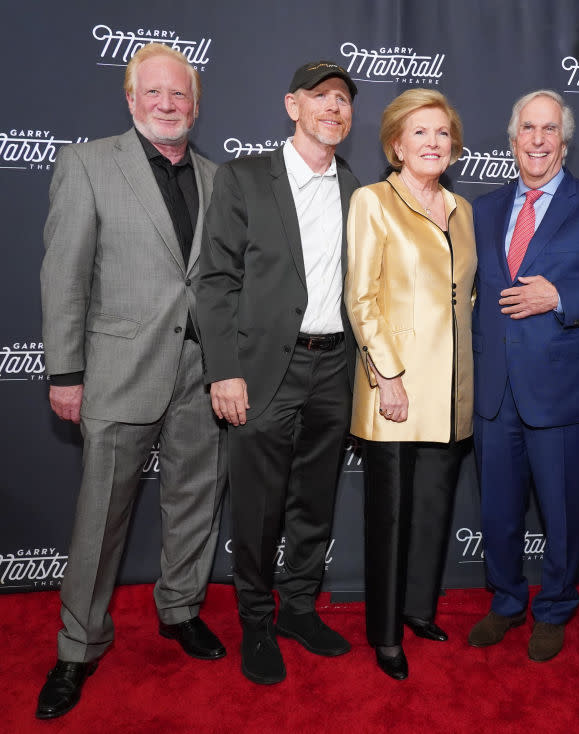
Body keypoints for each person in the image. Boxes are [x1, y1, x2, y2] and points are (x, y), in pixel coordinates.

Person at [37, 43, 225, 719]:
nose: (168, 105)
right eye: (154, 94)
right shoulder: (88, 164)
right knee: (101, 519)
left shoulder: (216, 175)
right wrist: (66, 371)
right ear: (130, 99)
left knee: (196, 502)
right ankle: (77, 648)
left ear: (195, 104)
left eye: (180, 96)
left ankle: (179, 610)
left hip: (200, 375)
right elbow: (64, 276)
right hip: (118, 370)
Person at [194, 61, 360, 685]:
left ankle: (297, 609)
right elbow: (215, 283)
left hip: (334, 367)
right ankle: (256, 624)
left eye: (342, 99)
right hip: (263, 370)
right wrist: (224, 371)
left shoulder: (356, 188)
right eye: (320, 98)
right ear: (292, 106)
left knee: (314, 503)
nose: (333, 108)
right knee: (259, 509)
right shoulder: (244, 178)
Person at [469, 90, 579, 662]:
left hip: (566, 391)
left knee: (565, 511)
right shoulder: (483, 209)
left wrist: (559, 295)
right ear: (512, 140)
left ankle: (555, 607)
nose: (537, 140)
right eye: (527, 129)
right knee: (497, 509)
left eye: (548, 130)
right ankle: (506, 601)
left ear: (563, 142)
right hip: (495, 391)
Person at [345, 89, 476, 680]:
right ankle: (385, 633)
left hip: (450, 392)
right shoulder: (373, 201)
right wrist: (387, 376)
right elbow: (361, 298)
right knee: (390, 517)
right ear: (397, 144)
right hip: (393, 388)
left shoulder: (461, 208)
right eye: (419, 133)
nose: (432, 143)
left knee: (432, 508)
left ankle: (419, 610)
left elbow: (464, 298)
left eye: (442, 133)